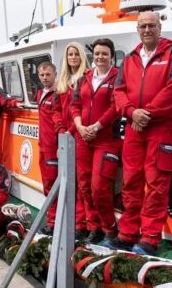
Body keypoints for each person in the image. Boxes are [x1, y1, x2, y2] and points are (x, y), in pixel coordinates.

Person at [109, 11, 172, 255]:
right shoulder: (130, 59)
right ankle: (128, 232)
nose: (147, 30)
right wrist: (132, 113)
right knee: (131, 182)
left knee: (156, 183)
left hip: (160, 128)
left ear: (160, 27)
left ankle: (150, 237)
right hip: (134, 128)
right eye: (143, 26)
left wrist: (146, 114)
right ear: (137, 30)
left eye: (152, 25)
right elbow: (118, 91)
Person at [71, 38, 123, 244]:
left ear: (112, 56)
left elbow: (115, 107)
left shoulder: (118, 77)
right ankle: (94, 227)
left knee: (99, 187)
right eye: (98, 53)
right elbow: (75, 104)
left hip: (106, 139)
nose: (100, 57)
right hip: (83, 138)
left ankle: (110, 227)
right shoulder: (85, 78)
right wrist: (80, 126)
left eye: (105, 54)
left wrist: (97, 126)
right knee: (84, 185)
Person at [54, 41, 90, 237]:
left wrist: (70, 130)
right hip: (66, 138)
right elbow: (57, 109)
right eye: (70, 55)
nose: (73, 58)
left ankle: (83, 223)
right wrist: (61, 129)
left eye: (76, 54)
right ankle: (75, 221)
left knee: (83, 182)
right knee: (70, 182)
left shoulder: (85, 79)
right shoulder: (62, 82)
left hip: (79, 135)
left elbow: (84, 109)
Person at [34, 62, 64, 236]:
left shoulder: (58, 95)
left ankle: (54, 222)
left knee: (53, 185)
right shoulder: (40, 94)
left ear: (55, 74)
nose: (45, 78)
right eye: (42, 75)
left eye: (48, 75)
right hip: (43, 146)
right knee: (47, 184)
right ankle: (53, 218)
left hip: (53, 147)